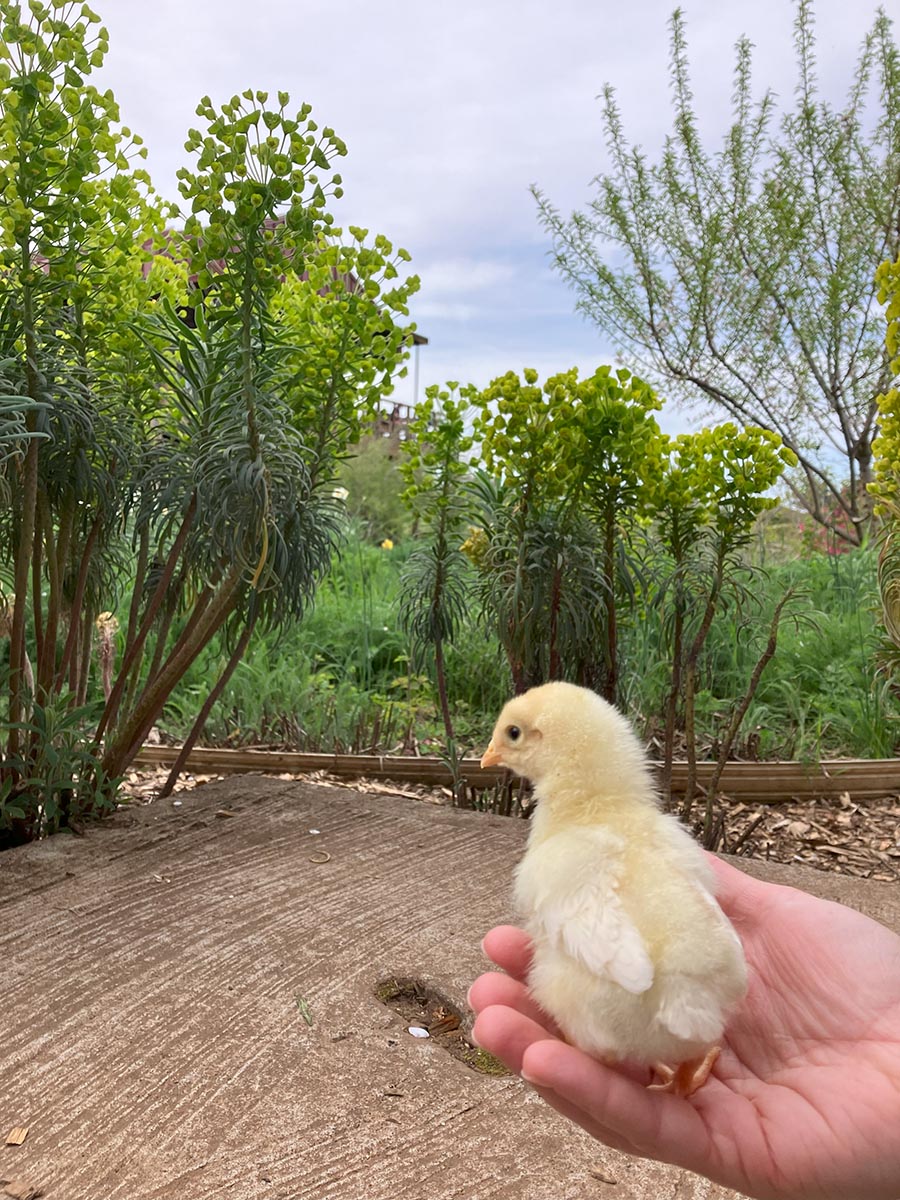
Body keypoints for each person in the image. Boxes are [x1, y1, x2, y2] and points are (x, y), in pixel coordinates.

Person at [469, 855, 900, 1200]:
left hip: (643, 1001)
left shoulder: (578, 858)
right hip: (697, 1007)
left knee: (594, 975)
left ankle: (618, 1044)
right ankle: (679, 1053)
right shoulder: (648, 852)